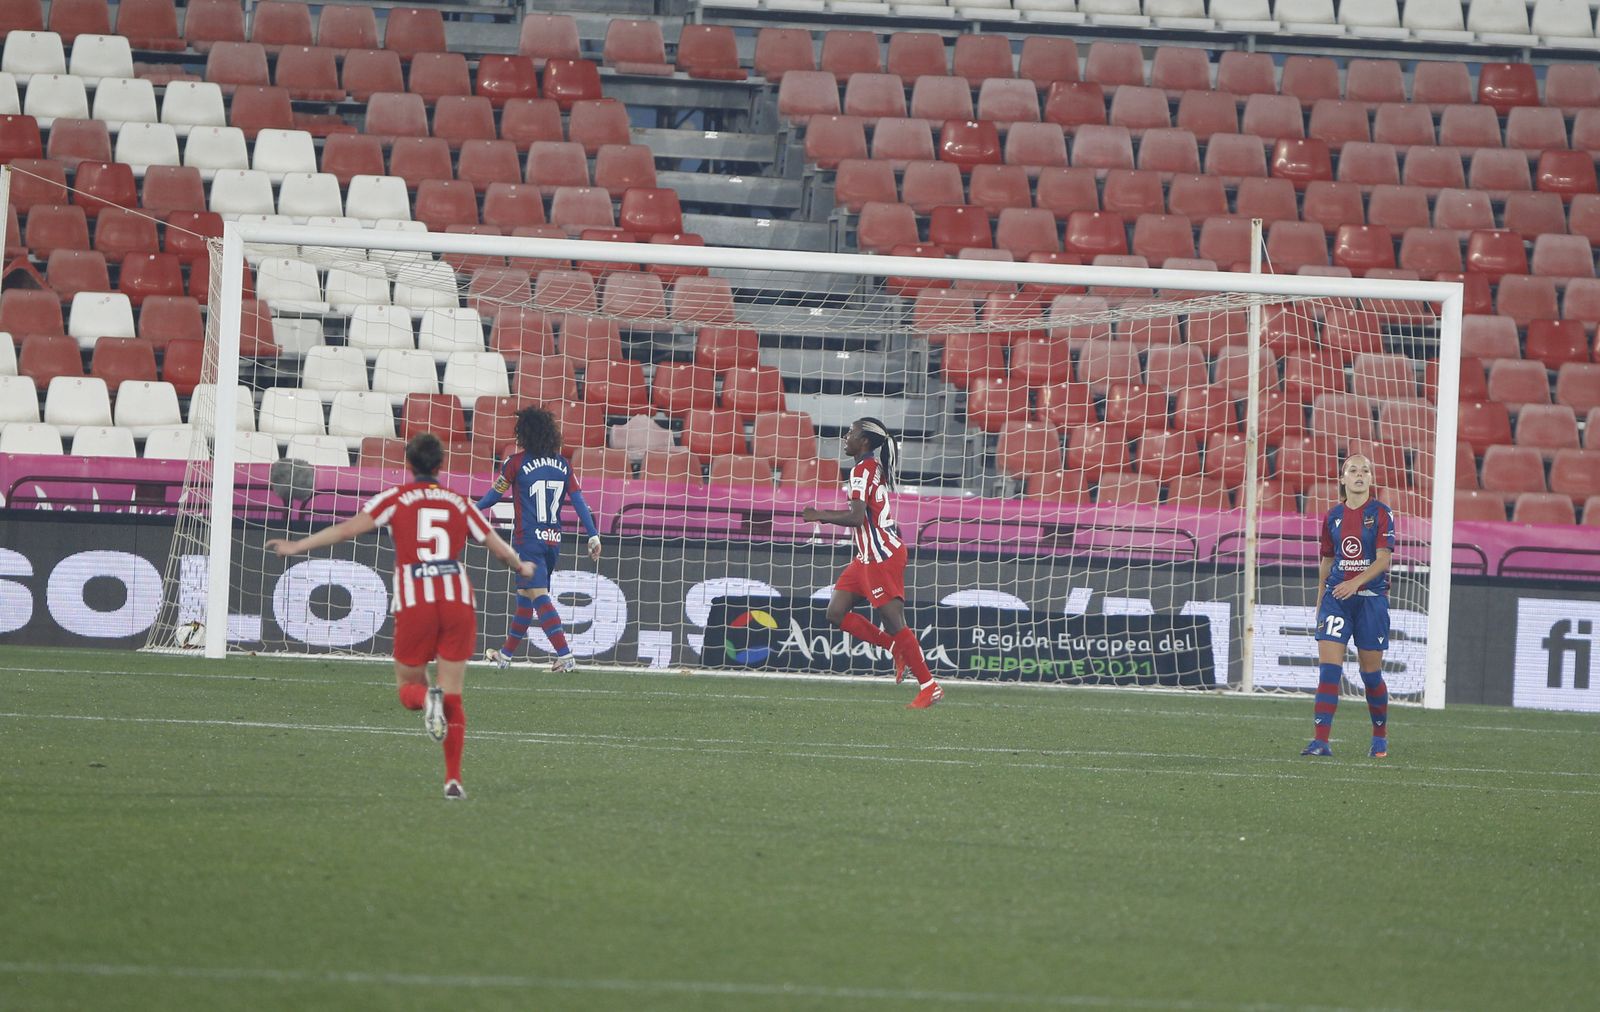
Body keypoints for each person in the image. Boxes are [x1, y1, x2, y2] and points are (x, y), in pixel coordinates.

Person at [267, 432, 533, 799]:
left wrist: (297, 545)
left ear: (408, 465)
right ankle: (453, 780)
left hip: (415, 601)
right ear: (440, 465)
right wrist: (522, 567)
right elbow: (498, 548)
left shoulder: (394, 498)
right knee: (454, 693)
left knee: (410, 686)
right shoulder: (459, 502)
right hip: (457, 599)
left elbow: (346, 530)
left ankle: (427, 701)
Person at [803, 417, 943, 709]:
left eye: (852, 432)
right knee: (836, 612)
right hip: (867, 555)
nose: (846, 436)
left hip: (881, 556)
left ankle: (929, 685)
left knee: (894, 622)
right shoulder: (869, 467)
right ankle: (895, 647)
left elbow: (855, 517)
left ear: (864, 441)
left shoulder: (862, 471)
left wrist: (820, 515)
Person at [477, 406, 602, 672]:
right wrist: (592, 534)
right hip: (553, 540)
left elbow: (494, 495)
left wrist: (471, 509)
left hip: (528, 541)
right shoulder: (563, 464)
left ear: (524, 433)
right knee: (525, 597)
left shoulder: (515, 462)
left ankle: (565, 656)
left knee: (537, 595)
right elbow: (579, 501)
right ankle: (505, 656)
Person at [1303, 452, 1394, 759]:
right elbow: (1327, 561)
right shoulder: (1332, 517)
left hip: (1370, 602)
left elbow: (1384, 558)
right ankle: (1320, 741)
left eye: (1365, 470)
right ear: (1342, 479)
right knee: (1329, 671)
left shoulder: (1381, 514)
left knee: (1370, 675)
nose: (1359, 474)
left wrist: (1356, 583)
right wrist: (1320, 599)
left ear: (1371, 479)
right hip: (1337, 600)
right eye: (1352, 470)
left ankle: (1379, 735)